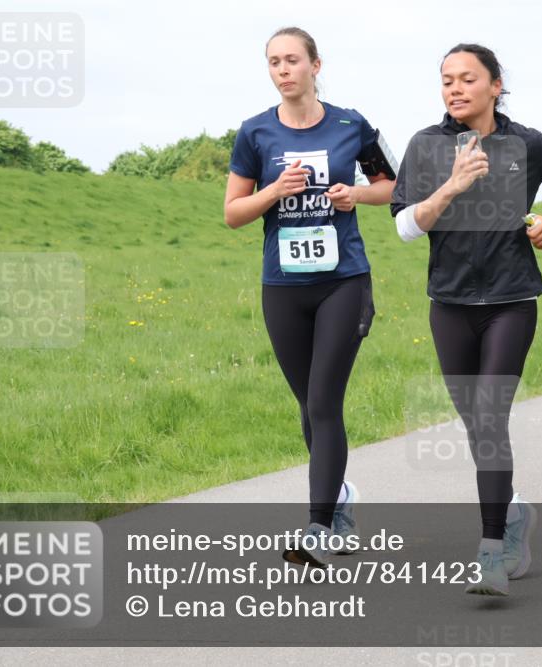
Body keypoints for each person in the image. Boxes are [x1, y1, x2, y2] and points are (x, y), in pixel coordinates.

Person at [391, 43, 542, 595]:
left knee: (490, 415)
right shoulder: (425, 145)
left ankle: (490, 557)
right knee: (476, 427)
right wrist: (453, 184)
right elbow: (406, 226)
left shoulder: (523, 142)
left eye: (466, 79)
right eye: (446, 80)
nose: (454, 89)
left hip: (511, 300)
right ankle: (512, 514)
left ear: (495, 85)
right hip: (449, 304)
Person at [223, 26, 396, 567]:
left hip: (343, 281)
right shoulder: (254, 133)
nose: (282, 70)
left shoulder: (351, 124)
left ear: (316, 65)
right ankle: (340, 500)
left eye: (292, 60)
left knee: (323, 400)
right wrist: (274, 191)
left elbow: (396, 186)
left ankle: (318, 526)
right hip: (283, 286)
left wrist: (357, 195)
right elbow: (232, 213)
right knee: (309, 406)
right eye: (273, 62)